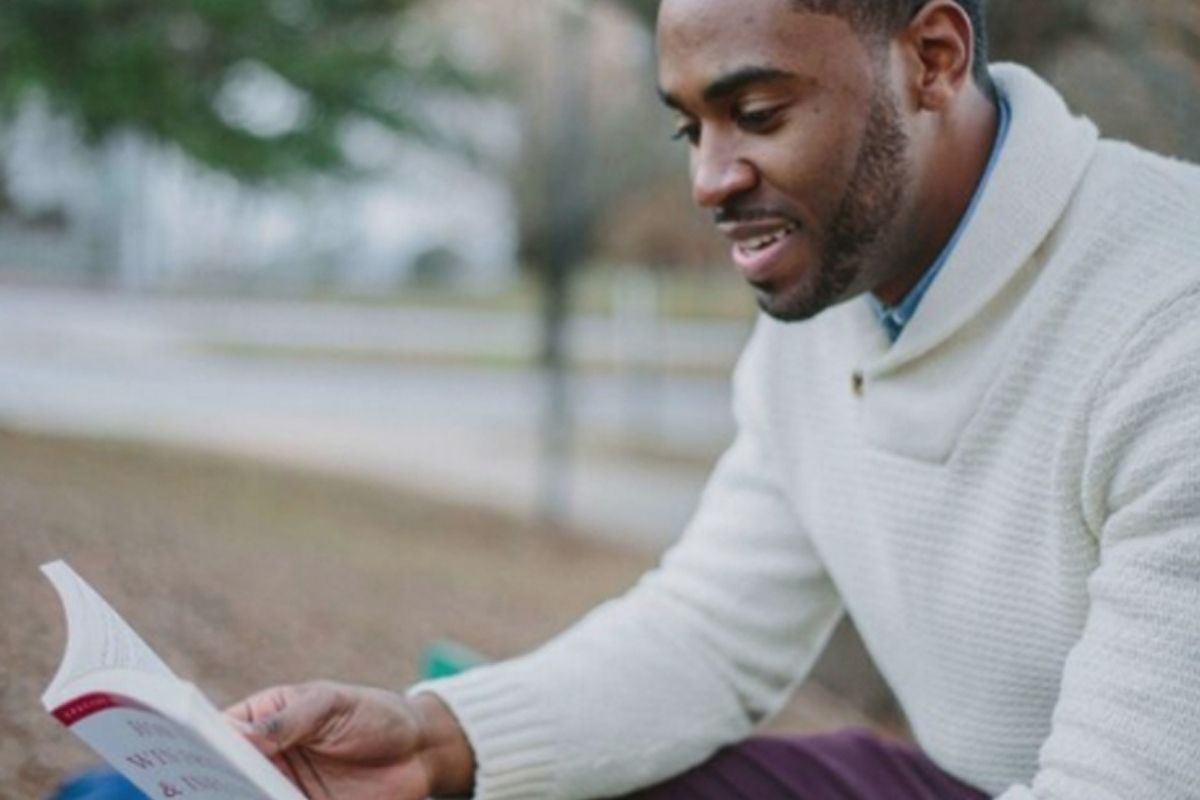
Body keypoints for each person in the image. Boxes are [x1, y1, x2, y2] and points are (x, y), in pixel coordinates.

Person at [229, 0, 1200, 798]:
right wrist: (434, 739)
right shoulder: (836, 297)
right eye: (692, 126)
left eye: (760, 113)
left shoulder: (1169, 319)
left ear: (933, 60)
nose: (708, 179)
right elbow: (709, 635)